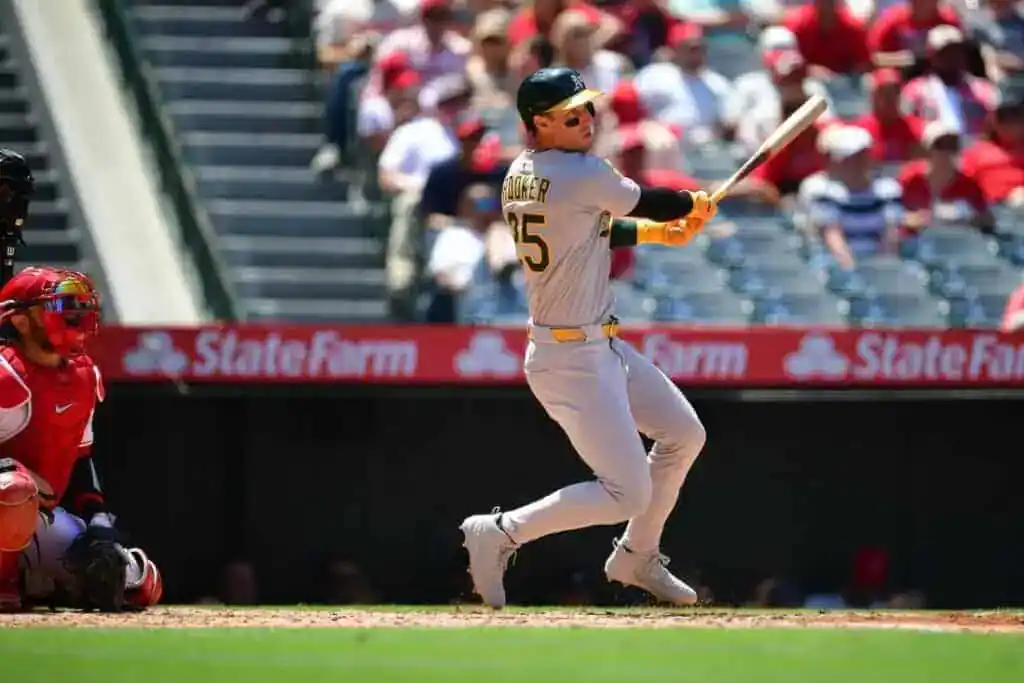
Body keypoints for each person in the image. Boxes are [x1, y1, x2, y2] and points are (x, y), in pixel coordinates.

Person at [459, 68, 716, 608]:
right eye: (571, 114)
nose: (586, 121)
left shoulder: (522, 172)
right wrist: (692, 203)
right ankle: (503, 531)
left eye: (588, 110)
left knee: (682, 435)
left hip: (597, 346)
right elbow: (647, 200)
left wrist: (660, 232)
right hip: (571, 357)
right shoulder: (581, 172)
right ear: (539, 123)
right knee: (627, 491)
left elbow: (596, 226)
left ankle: (636, 557)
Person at [0, 151, 161, 613]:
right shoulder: (7, 372)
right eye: (60, 313)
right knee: (13, 488)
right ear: (22, 321)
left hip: (33, 517)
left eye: (77, 313)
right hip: (10, 500)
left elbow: (82, 454)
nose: (73, 322)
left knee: (134, 580)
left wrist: (97, 517)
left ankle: (37, 579)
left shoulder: (82, 375)